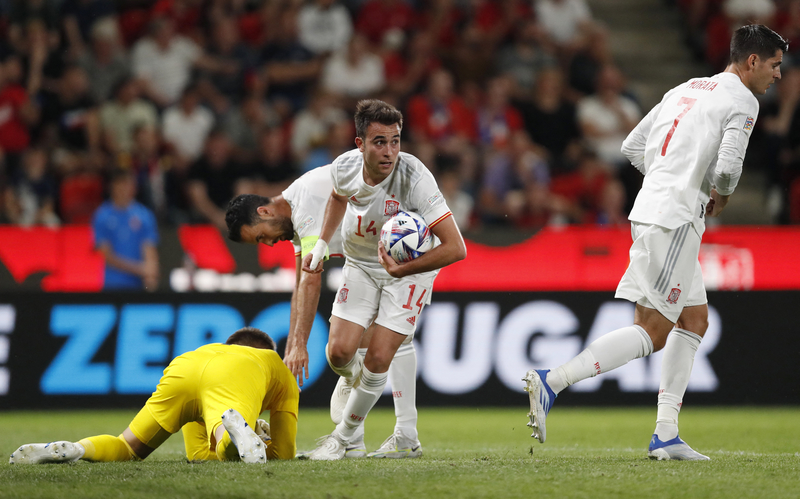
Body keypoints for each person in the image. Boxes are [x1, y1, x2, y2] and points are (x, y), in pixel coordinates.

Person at [523, 24, 787, 461]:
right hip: (676, 218)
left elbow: (631, 146)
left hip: (653, 209)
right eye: (775, 66)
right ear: (752, 61)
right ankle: (553, 381)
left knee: (695, 320)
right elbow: (726, 169)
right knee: (653, 330)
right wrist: (714, 192)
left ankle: (666, 433)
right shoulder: (742, 99)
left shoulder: (686, 87)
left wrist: (669, 174)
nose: (778, 75)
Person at [301, 99, 467, 460]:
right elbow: (337, 197)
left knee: (378, 356)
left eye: (395, 140)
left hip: (411, 270)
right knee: (340, 354)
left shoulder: (415, 177)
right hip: (360, 263)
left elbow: (457, 248)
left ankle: (343, 438)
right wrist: (322, 243)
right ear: (359, 143)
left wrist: (401, 270)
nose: (390, 151)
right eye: (379, 142)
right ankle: (363, 396)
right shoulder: (344, 166)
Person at [224, 164, 423, 458]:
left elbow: (312, 279)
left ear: (264, 213)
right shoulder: (293, 217)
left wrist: (301, 345)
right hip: (371, 259)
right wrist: (292, 343)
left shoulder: (305, 205)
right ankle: (358, 437)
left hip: (408, 242)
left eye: (260, 237)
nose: (266, 243)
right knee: (344, 351)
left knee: (387, 341)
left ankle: (392, 434)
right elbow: (300, 283)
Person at [9, 327, 299, 464]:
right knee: (227, 437)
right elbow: (284, 454)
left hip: (185, 366)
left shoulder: (210, 351)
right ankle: (232, 436)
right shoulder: (274, 365)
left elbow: (198, 454)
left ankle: (77, 449)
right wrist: (266, 440)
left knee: (129, 447)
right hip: (236, 375)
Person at [92, 169, 159, 291]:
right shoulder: (102, 215)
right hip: (111, 285)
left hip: (137, 287)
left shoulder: (144, 216)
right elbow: (106, 255)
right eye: (120, 184)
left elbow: (149, 251)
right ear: (112, 187)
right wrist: (140, 269)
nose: (124, 188)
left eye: (128, 184)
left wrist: (150, 277)